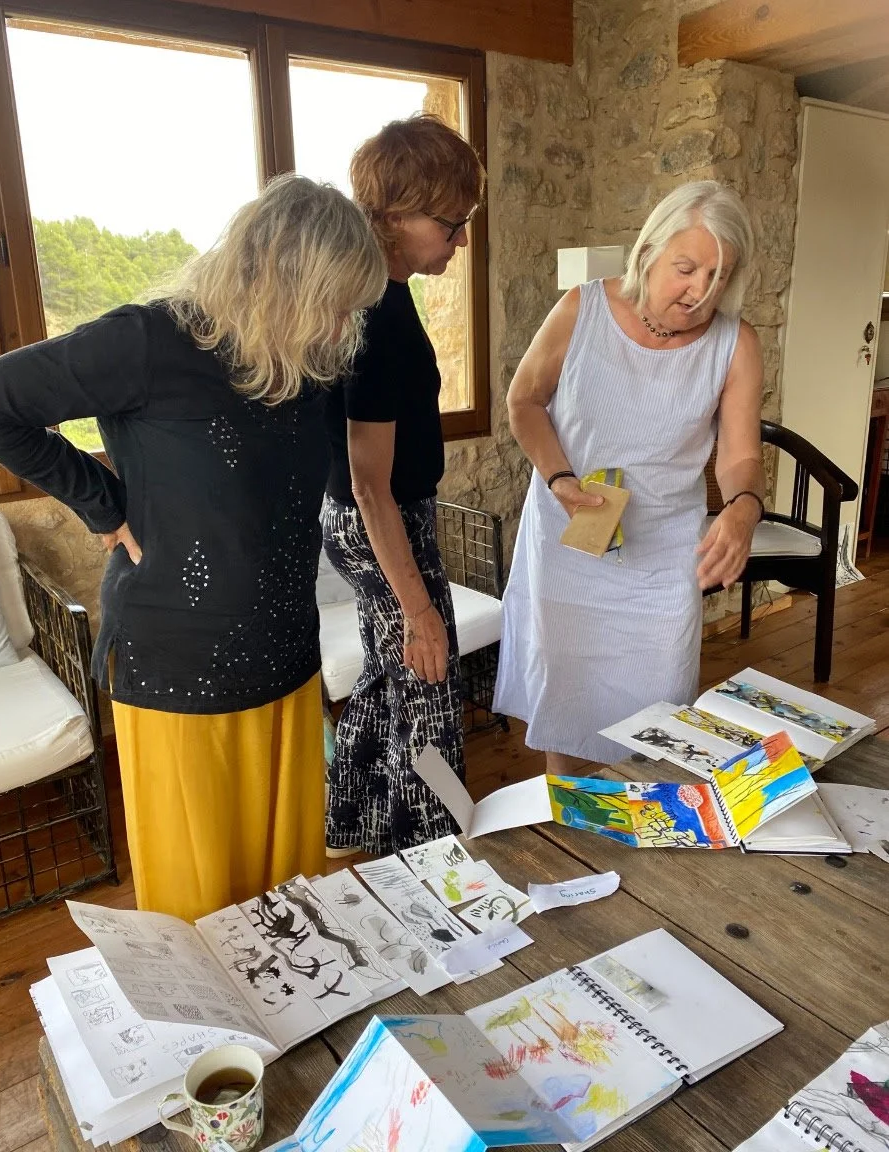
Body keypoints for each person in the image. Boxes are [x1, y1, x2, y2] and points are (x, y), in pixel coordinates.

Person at [0, 174, 387, 921]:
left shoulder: (304, 359)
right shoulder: (147, 341)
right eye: (335, 305)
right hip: (180, 669)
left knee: (291, 903)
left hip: (288, 661)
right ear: (285, 281)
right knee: (200, 911)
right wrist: (102, 502)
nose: (343, 328)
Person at [496, 180, 764, 775]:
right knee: (567, 697)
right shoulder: (581, 308)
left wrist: (744, 506)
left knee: (661, 710)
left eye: (720, 276)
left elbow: (740, 455)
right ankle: (573, 831)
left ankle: (649, 835)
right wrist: (560, 478)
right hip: (572, 537)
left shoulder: (734, 344)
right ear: (648, 252)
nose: (701, 292)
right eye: (687, 268)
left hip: (664, 555)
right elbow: (524, 401)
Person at [322, 113, 486, 856]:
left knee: (389, 680)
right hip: (383, 520)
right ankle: (433, 861)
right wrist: (420, 610)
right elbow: (367, 483)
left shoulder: (378, 291)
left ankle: (354, 823)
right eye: (451, 224)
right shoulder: (377, 316)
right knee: (427, 683)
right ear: (392, 218)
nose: (459, 240)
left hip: (368, 520)